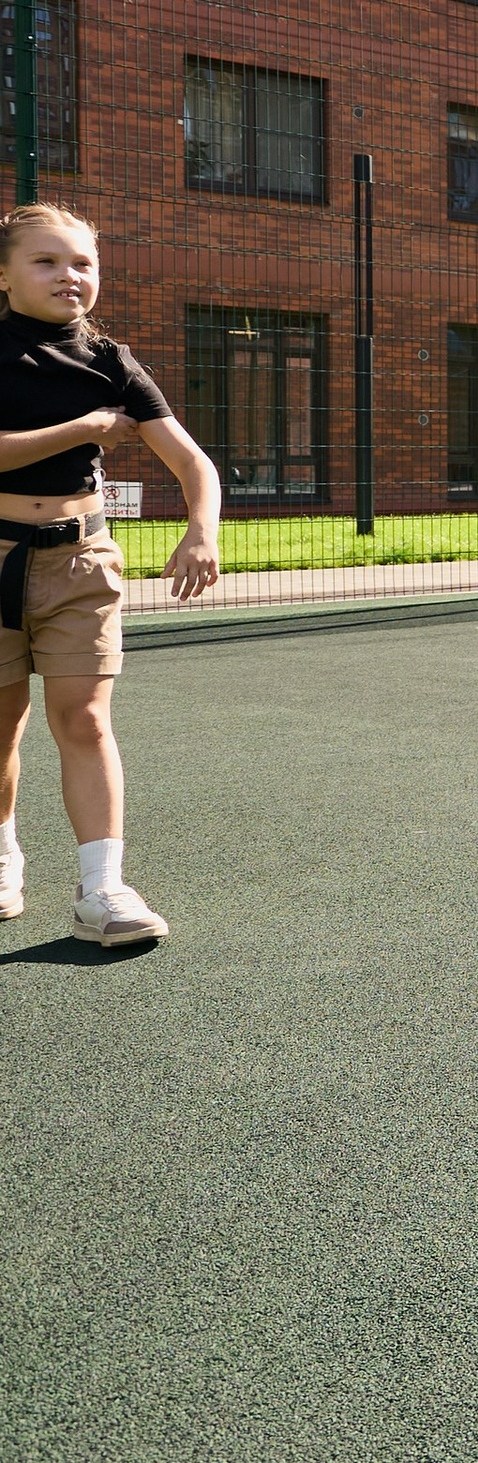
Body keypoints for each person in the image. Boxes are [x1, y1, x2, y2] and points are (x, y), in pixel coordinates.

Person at [0, 201, 223, 944]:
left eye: (83, 263)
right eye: (46, 261)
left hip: (81, 561)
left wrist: (201, 531)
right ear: (4, 275)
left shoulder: (111, 362)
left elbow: (193, 463)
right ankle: (3, 859)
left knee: (85, 719)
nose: (69, 274)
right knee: (0, 725)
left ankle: (103, 890)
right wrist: (87, 428)